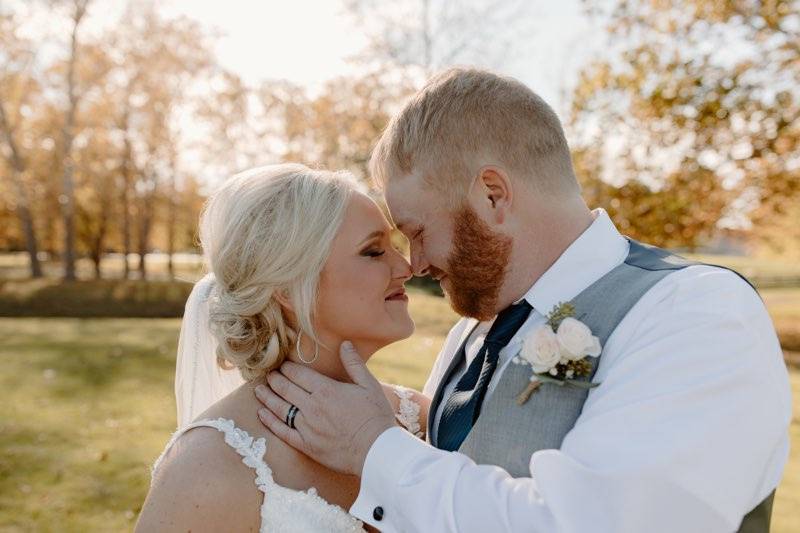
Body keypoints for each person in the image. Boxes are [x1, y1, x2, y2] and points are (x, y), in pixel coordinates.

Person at [254, 68, 793, 532]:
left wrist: (372, 448)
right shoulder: (474, 333)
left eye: (417, 231)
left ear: (493, 195)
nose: (414, 263)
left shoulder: (695, 312)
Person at [136, 164, 429, 532]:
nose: (405, 267)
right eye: (373, 251)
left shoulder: (421, 420)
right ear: (289, 287)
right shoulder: (209, 467)